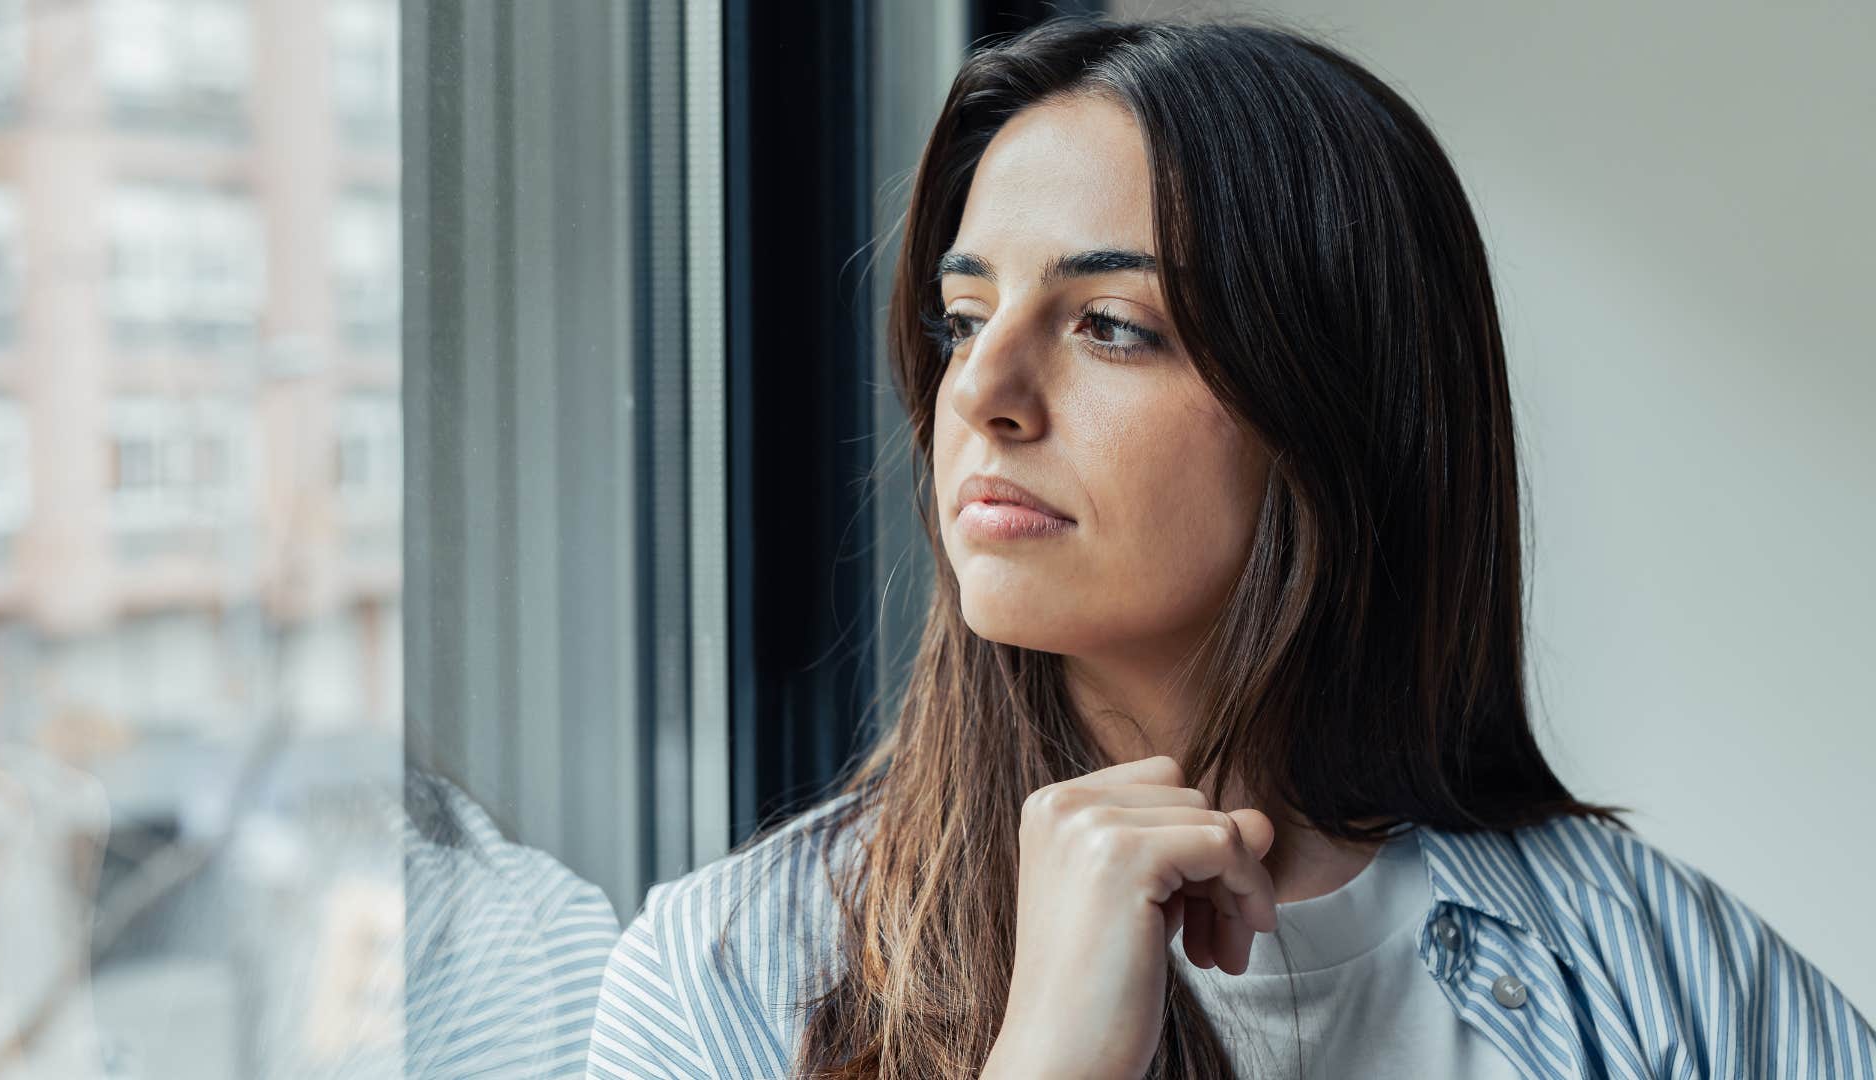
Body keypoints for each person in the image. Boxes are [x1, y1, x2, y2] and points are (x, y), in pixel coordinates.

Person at [587, 15, 1875, 1079]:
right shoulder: (724, 982)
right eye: (962, 316)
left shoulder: (1649, 962)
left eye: (1109, 324)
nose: (984, 390)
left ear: (1333, 406)